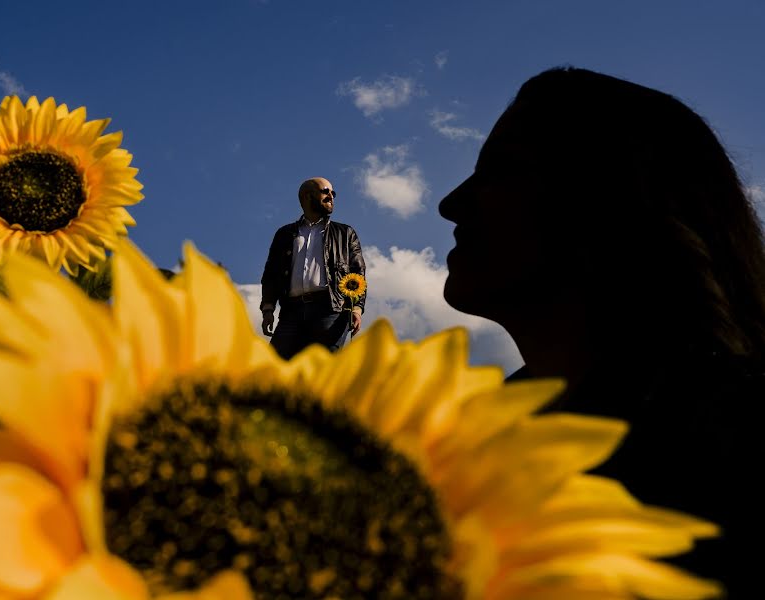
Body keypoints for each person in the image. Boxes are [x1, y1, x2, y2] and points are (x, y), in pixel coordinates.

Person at [438, 67, 765, 595]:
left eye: (501, 171)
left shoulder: (733, 457)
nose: (451, 204)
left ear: (609, 199)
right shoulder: (477, 439)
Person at [260, 177, 366, 359]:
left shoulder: (345, 233)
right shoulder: (285, 234)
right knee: (275, 369)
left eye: (333, 193)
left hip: (331, 311)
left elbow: (357, 272)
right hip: (290, 313)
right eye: (326, 191)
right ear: (307, 196)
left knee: (323, 372)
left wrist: (357, 307)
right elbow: (271, 273)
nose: (331, 196)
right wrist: (268, 308)